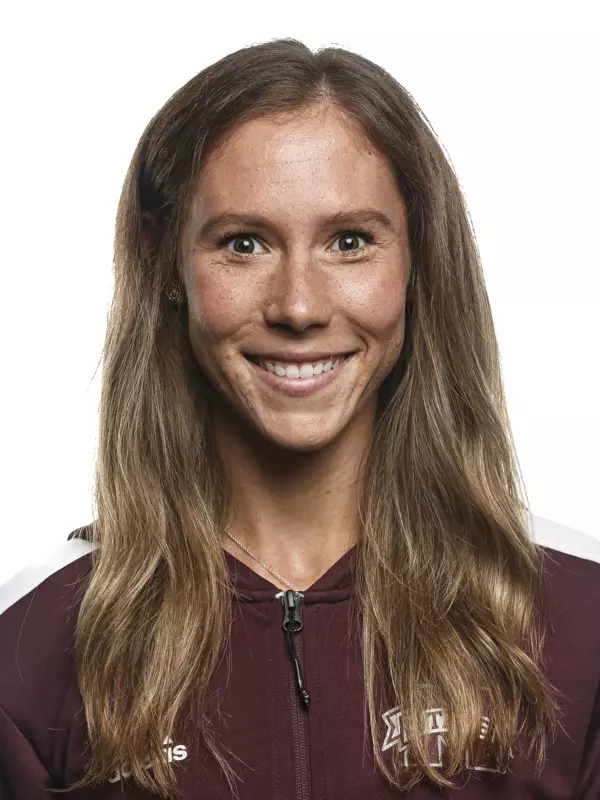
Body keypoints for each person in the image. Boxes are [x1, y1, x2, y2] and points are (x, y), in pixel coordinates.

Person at [0, 37, 598, 800]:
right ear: (166, 266)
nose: (300, 306)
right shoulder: (30, 645)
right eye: (243, 244)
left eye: (350, 242)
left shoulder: (580, 623)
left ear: (418, 262)